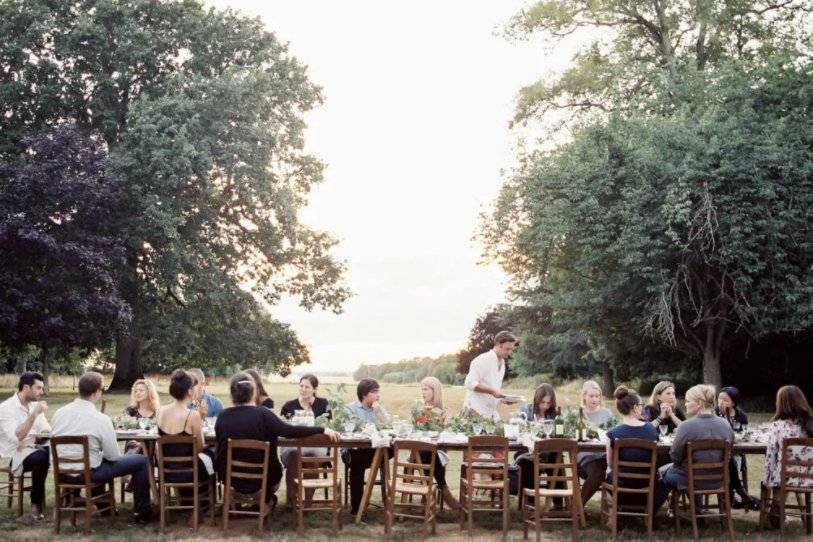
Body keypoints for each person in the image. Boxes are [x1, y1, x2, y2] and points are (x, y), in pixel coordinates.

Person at [214, 373, 339, 507]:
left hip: (230, 478)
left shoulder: (222, 417)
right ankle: (266, 501)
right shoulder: (264, 414)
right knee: (278, 467)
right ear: (254, 392)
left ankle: (238, 502)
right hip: (265, 478)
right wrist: (320, 429)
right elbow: (289, 431)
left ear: (233, 393)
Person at [51, 372, 153, 523]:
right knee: (141, 461)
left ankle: (105, 505)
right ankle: (141, 512)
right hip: (90, 473)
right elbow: (113, 456)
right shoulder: (100, 419)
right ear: (97, 392)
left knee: (97, 460)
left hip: (61, 472)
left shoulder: (58, 413)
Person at [653, 384, 733, 512]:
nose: (685, 404)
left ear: (699, 403)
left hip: (691, 479)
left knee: (665, 476)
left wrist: (680, 464)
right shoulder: (725, 424)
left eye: (688, 401)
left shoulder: (686, 426)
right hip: (719, 479)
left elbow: (675, 456)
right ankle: (698, 512)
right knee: (677, 471)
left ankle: (650, 515)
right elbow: (729, 453)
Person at [157, 370, 215, 517]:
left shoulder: (161, 411)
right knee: (213, 453)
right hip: (189, 471)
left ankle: (187, 502)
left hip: (167, 470)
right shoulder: (192, 415)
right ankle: (206, 503)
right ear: (189, 391)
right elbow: (200, 447)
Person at [0, 372, 51, 520]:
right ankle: (36, 503)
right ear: (26, 387)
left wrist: (40, 437)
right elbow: (17, 438)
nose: (42, 392)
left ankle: (71, 494)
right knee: (43, 456)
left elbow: (46, 429)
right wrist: (34, 415)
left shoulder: (34, 405)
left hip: (32, 449)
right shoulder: (6, 408)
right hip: (12, 455)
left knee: (58, 449)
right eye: (39, 388)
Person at [279, 374, 331, 507]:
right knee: (294, 455)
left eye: (307, 387)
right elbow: (283, 429)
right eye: (301, 386)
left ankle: (308, 502)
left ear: (314, 389)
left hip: (316, 447)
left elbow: (328, 427)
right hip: (293, 446)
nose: (303, 389)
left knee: (311, 458)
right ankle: (292, 501)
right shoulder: (289, 406)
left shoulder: (323, 404)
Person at [343, 378, 391, 515]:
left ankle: (386, 499)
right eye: (374, 392)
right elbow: (348, 432)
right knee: (357, 462)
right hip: (354, 451)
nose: (378, 395)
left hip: (374, 450)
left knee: (392, 449)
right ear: (364, 394)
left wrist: (377, 414)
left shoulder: (379, 408)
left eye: (378, 391)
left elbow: (389, 427)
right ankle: (357, 507)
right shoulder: (349, 409)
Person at [604, 386, 658, 506]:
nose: (642, 407)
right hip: (646, 483)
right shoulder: (651, 429)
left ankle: (614, 510)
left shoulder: (612, 433)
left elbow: (610, 464)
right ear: (634, 408)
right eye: (641, 405)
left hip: (620, 484)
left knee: (607, 470)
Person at [417, 376, 458, 509]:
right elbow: (417, 429)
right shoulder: (419, 408)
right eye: (422, 389)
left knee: (432, 454)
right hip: (418, 452)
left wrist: (447, 420)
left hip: (437, 451)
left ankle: (429, 494)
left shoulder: (444, 410)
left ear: (435, 391)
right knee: (429, 453)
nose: (423, 393)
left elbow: (448, 432)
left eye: (426, 389)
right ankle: (444, 490)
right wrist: (425, 415)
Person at [763, 385, 813, 492]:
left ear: (781, 404)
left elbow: (771, 456)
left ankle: (776, 507)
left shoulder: (778, 426)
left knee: (777, 474)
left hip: (786, 479)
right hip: (810, 478)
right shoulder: (810, 424)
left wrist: (767, 481)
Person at [715, 386, 758, 509]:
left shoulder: (741, 415)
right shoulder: (715, 414)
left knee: (733, 460)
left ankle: (733, 497)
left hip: (736, 451)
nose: (721, 402)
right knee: (730, 462)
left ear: (733, 402)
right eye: (719, 399)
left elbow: (743, 434)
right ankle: (740, 493)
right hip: (719, 451)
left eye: (725, 400)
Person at [463, 331, 518, 421]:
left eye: (511, 349)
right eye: (507, 349)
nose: (510, 353)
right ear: (498, 344)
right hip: (475, 413)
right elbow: (469, 383)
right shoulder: (483, 360)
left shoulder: (502, 363)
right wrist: (492, 391)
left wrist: (504, 399)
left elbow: (494, 390)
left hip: (490, 414)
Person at [577, 380, 614, 504]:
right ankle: (578, 506)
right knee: (599, 471)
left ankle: (577, 506)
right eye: (591, 396)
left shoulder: (607, 413)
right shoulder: (578, 414)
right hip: (584, 455)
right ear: (584, 396)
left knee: (601, 469)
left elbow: (614, 433)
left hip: (603, 455)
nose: (595, 399)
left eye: (597, 396)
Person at [123, 379, 160, 455]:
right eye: (135, 391)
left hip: (153, 447)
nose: (137, 393)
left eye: (141, 390)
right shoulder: (131, 411)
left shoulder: (158, 411)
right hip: (133, 447)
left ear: (149, 392)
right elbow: (123, 429)